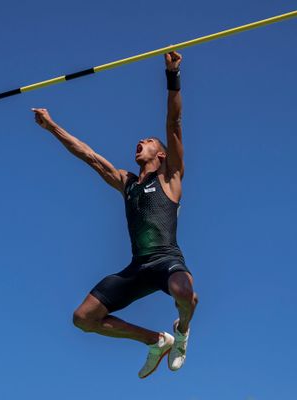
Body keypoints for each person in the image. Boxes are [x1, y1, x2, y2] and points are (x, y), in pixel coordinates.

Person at [31, 51, 198, 379]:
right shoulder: (127, 182)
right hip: (138, 267)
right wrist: (51, 127)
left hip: (166, 261)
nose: (140, 141)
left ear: (161, 153)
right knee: (83, 318)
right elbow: (89, 156)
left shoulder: (171, 177)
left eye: (148, 141)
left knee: (185, 293)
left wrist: (172, 76)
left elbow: (174, 125)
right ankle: (156, 340)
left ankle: (181, 332)